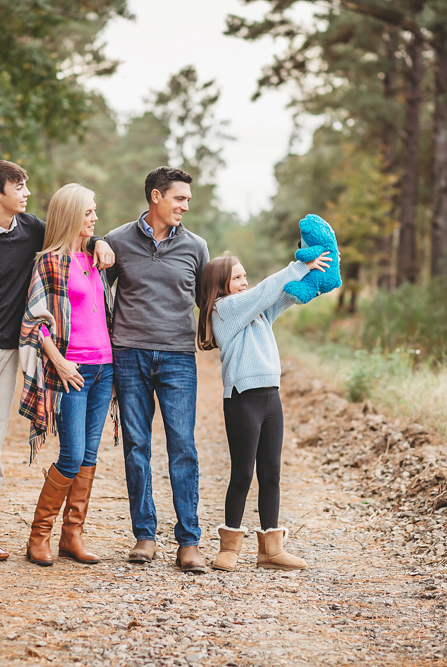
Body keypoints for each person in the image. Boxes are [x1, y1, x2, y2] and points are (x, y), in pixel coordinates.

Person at [0, 161, 113, 568]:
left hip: (11, 355)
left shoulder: (31, 229)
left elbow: (69, 229)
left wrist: (98, 239)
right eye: (19, 186)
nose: (26, 192)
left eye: (26, 185)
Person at [195, 250, 332, 571]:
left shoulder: (253, 311)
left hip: (271, 396)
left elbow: (281, 297)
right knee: (242, 474)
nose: (245, 281)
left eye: (245, 276)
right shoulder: (225, 309)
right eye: (238, 277)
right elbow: (264, 291)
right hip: (243, 399)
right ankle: (229, 548)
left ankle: (271, 549)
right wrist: (297, 266)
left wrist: (314, 280)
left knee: (271, 475)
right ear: (222, 284)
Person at [104, 166, 210, 573]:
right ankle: (144, 536)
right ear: (155, 197)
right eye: (179, 198)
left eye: (187, 199)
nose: (185, 205)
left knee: (183, 446)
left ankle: (189, 542)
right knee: (136, 446)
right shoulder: (116, 241)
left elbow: (209, 302)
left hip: (178, 357)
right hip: (128, 355)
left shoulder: (196, 247)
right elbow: (99, 294)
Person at [19, 183, 116, 567]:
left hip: (104, 369)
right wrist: (57, 360)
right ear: (73, 215)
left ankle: (71, 536)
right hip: (71, 370)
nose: (94, 219)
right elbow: (33, 320)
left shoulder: (98, 257)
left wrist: (100, 242)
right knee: (72, 455)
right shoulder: (49, 262)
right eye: (89, 212)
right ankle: (38, 535)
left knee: (90, 455)